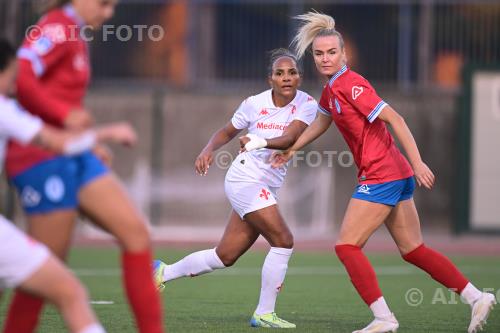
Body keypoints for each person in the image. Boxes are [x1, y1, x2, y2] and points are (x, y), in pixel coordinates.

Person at [247, 11, 496, 333]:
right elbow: (323, 121)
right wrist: (294, 148)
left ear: (344, 54)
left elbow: (396, 119)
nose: (325, 58)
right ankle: (476, 297)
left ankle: (384, 319)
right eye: (319, 54)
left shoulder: (351, 84)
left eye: (332, 52)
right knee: (413, 250)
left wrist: (419, 162)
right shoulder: (331, 89)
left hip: (384, 174)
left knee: (346, 246)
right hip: (395, 173)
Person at [3, 2, 164, 333]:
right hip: (40, 157)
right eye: (104, 3)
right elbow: (22, 73)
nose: (108, 14)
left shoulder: (75, 32)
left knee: (136, 233)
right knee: (44, 271)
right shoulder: (55, 27)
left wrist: (86, 141)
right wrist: (64, 116)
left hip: (72, 154)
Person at [153, 48, 317, 328]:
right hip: (244, 180)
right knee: (284, 240)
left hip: (265, 186)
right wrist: (208, 148)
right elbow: (228, 131)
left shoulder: (307, 104)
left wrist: (259, 141)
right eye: (280, 73)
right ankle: (264, 313)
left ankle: (162, 272)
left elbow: (290, 137)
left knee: (225, 256)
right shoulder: (254, 103)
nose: (286, 78)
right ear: (270, 79)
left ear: (300, 78)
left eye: (292, 73)